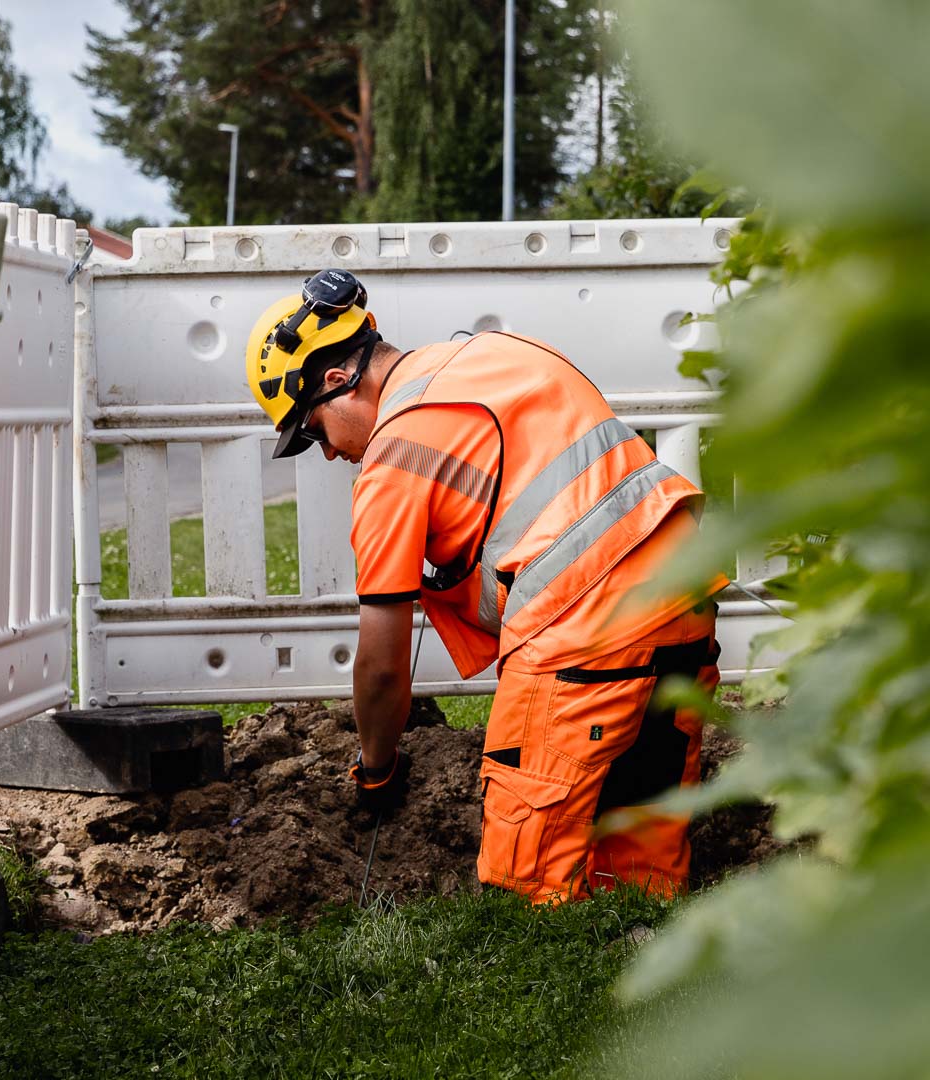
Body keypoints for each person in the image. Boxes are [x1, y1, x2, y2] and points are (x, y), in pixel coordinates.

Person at [246, 268, 726, 902]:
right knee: (641, 856)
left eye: (312, 432)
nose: (331, 454)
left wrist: (376, 770)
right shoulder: (504, 350)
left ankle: (563, 982)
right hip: (686, 596)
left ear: (336, 381)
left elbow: (383, 667)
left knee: (526, 883)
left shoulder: (391, 461)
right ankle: (649, 963)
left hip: (584, 629)